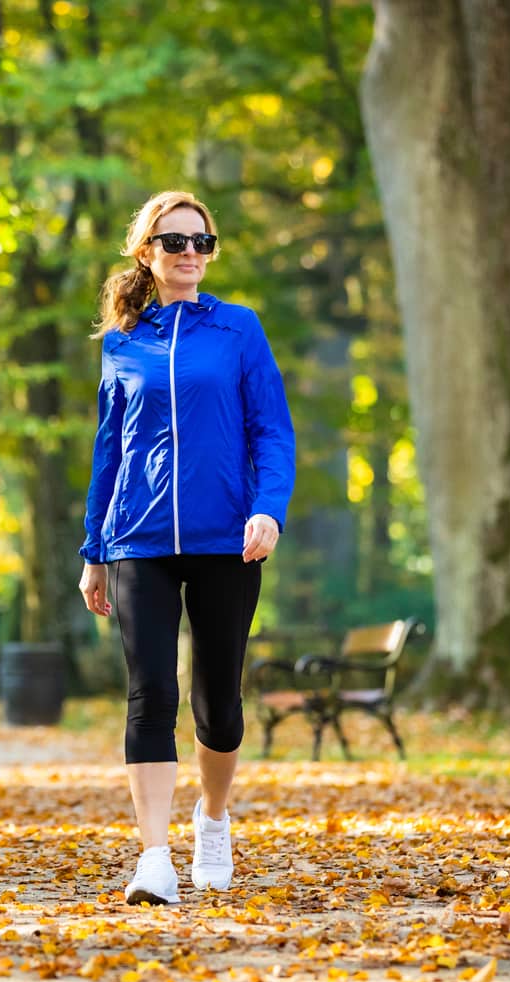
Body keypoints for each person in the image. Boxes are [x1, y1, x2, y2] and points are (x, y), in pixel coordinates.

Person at [78, 190, 296, 906]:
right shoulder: (122, 342)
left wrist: (268, 510)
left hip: (224, 539)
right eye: (176, 243)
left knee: (218, 702)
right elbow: (108, 452)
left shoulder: (239, 329)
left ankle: (214, 817)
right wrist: (93, 548)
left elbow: (272, 430)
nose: (192, 254)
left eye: (203, 241)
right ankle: (153, 858)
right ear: (147, 252)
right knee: (149, 694)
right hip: (137, 539)